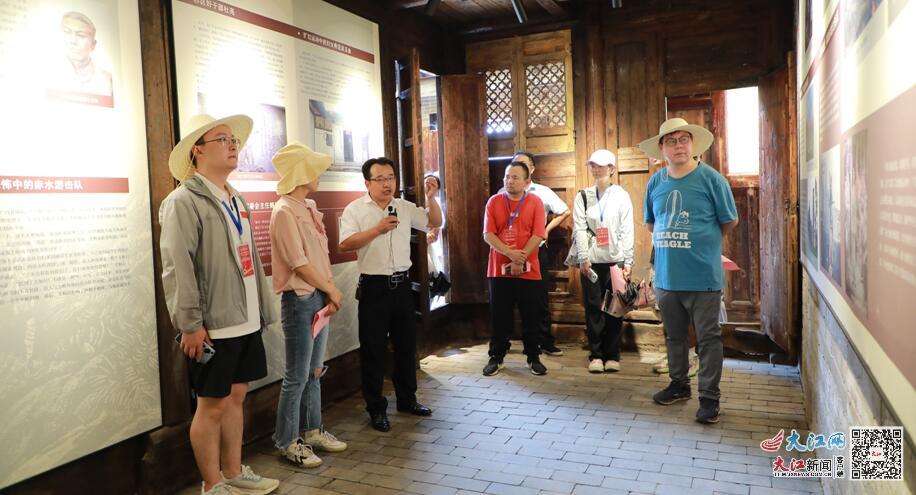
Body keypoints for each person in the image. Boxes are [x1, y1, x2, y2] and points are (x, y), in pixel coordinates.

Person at [159, 114, 279, 495]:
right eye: (222, 139)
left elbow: (250, 258)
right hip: (214, 324)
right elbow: (177, 267)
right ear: (197, 151)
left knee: (237, 397)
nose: (232, 146)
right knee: (211, 405)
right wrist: (190, 324)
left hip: (245, 318)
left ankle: (233, 471)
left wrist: (262, 310)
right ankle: (212, 484)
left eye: (233, 140)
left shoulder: (235, 197)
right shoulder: (182, 201)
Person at [640, 118, 738, 424]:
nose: (678, 146)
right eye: (671, 141)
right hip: (667, 277)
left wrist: (702, 242)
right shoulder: (655, 183)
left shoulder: (712, 180)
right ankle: (679, 385)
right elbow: (651, 224)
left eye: (684, 139)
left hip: (703, 276)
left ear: (693, 144)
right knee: (674, 337)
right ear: (662, 148)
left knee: (708, 339)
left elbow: (729, 221)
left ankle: (709, 399)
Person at [339, 158, 442, 432]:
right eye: (380, 179)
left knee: (406, 346)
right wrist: (377, 229)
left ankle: (407, 399)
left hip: (402, 287)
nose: (387, 184)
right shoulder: (355, 210)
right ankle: (376, 408)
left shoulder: (404, 207)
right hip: (374, 288)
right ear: (367, 183)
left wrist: (431, 198)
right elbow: (344, 243)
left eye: (391, 178)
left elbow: (435, 221)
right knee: (373, 349)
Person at [269, 142, 348, 468]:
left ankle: (312, 431)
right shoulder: (284, 211)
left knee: (315, 371)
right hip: (301, 299)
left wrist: (328, 292)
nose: (318, 174)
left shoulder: (307, 207)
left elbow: (316, 258)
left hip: (319, 296)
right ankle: (287, 441)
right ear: (301, 173)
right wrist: (332, 289)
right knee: (297, 376)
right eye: (313, 168)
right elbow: (298, 263)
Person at [500, 151, 570, 356]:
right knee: (507, 298)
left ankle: (544, 341)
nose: (517, 168)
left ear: (531, 169)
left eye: (522, 164)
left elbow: (564, 211)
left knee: (538, 297)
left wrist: (546, 230)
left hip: (535, 252)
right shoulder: (502, 191)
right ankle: (503, 343)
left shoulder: (542, 192)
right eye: (514, 164)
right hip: (509, 252)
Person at [482, 162, 548, 376]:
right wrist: (510, 254)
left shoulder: (535, 202)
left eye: (515, 177)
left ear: (527, 181)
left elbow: (538, 234)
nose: (509, 181)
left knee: (531, 316)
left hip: (529, 269)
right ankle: (496, 356)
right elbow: (488, 234)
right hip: (499, 269)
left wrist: (520, 258)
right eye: (507, 176)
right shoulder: (494, 201)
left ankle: (533, 356)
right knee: (499, 316)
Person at [571, 149, 634, 373]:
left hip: (616, 261)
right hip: (591, 262)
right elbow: (579, 229)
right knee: (593, 308)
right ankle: (596, 355)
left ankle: (613, 355)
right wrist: (583, 258)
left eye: (600, 165)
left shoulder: (621, 195)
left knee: (615, 309)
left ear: (612, 169)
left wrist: (628, 261)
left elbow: (627, 229)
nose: (596, 169)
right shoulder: (583, 196)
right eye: (593, 165)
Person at [57, 12, 113, 97]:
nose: (73, 41)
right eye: (67, 32)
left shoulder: (107, 81)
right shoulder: (48, 74)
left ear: (93, 45)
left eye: (81, 35)